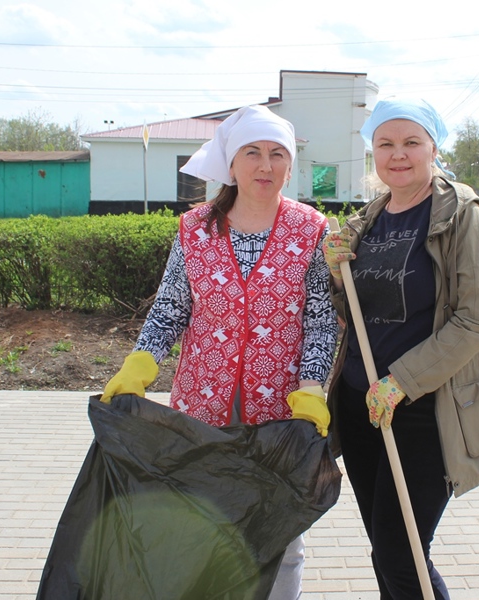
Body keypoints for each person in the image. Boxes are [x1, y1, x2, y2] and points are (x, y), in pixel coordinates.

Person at [100, 104, 339, 600]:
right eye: (252, 153)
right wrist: (139, 366)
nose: (265, 166)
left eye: (277, 155)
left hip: (281, 414)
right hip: (202, 410)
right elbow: (170, 308)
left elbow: (320, 319)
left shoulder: (311, 230)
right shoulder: (195, 230)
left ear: (290, 166)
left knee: (281, 536)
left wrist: (312, 387)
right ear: (231, 163)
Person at [322, 98, 479, 599]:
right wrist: (335, 269)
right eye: (386, 144)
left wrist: (402, 382)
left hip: (421, 411)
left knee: (403, 554)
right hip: (361, 407)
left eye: (411, 142)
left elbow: (477, 319)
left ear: (433, 147)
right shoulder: (369, 220)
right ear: (373, 151)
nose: (398, 155)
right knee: (386, 552)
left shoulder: (460, 217)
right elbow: (354, 309)